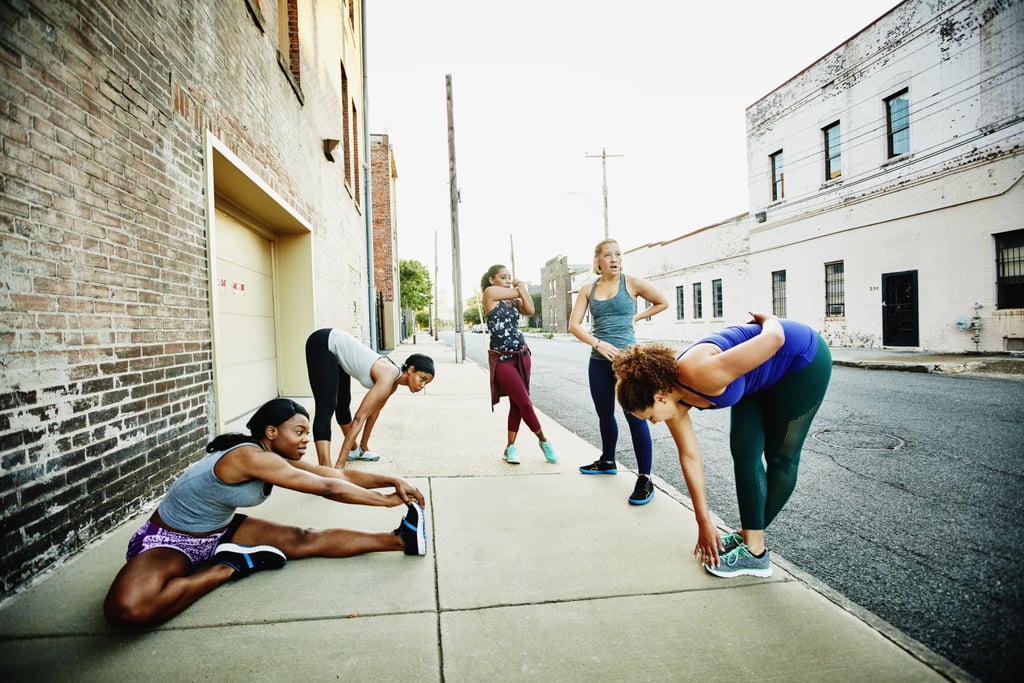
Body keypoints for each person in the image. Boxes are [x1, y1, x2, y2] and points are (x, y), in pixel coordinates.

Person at [103, 398, 428, 628]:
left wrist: (391, 481)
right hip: (172, 540)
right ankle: (228, 567)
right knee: (126, 611)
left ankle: (401, 540)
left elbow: (335, 476)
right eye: (299, 432)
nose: (305, 440)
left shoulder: (271, 455)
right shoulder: (250, 456)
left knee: (305, 539)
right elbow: (327, 489)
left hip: (220, 530)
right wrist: (384, 502)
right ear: (272, 432)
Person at [612, 313, 832, 578]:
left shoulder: (699, 372)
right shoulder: (673, 403)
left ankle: (756, 552)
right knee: (744, 451)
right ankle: (749, 537)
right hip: (757, 377)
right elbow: (690, 457)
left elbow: (775, 338)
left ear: (659, 397)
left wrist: (769, 319)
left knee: (781, 457)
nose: (653, 423)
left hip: (801, 360)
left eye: (648, 417)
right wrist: (703, 522)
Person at [568, 238, 667, 505]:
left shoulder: (631, 283)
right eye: (608, 255)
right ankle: (607, 460)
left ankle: (645, 479)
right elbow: (574, 325)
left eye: (618, 254)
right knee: (604, 414)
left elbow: (662, 302)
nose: (614, 259)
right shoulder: (588, 289)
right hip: (598, 362)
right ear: (598, 260)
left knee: (636, 417)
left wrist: (635, 318)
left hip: (628, 362)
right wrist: (598, 343)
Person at [305, 328, 434, 468]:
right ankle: (327, 469)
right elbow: (360, 418)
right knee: (327, 405)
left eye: (426, 382)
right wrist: (340, 465)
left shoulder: (393, 384)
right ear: (411, 370)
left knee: (342, 405)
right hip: (323, 342)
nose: (422, 385)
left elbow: (373, 413)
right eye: (422, 379)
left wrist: (364, 445)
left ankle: (356, 450)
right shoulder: (388, 376)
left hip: (338, 352)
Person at [480, 264, 559, 465]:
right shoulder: (489, 294)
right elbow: (518, 290)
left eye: (510, 277)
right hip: (502, 359)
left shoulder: (513, 300)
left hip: (522, 355)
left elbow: (531, 309)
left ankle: (510, 448)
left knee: (517, 403)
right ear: (492, 279)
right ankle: (544, 441)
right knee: (524, 402)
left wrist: (521, 290)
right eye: (503, 277)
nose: (507, 280)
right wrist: (522, 285)